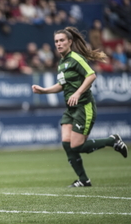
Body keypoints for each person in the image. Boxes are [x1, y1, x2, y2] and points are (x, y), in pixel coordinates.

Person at [32, 26, 128, 187]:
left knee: (77, 146)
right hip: (71, 109)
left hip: (84, 106)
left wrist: (77, 93)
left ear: (70, 42)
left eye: (62, 40)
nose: (59, 43)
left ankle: (112, 140)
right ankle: (84, 180)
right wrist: (44, 91)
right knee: (66, 143)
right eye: (56, 41)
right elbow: (62, 85)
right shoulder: (62, 62)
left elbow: (91, 75)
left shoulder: (75, 58)